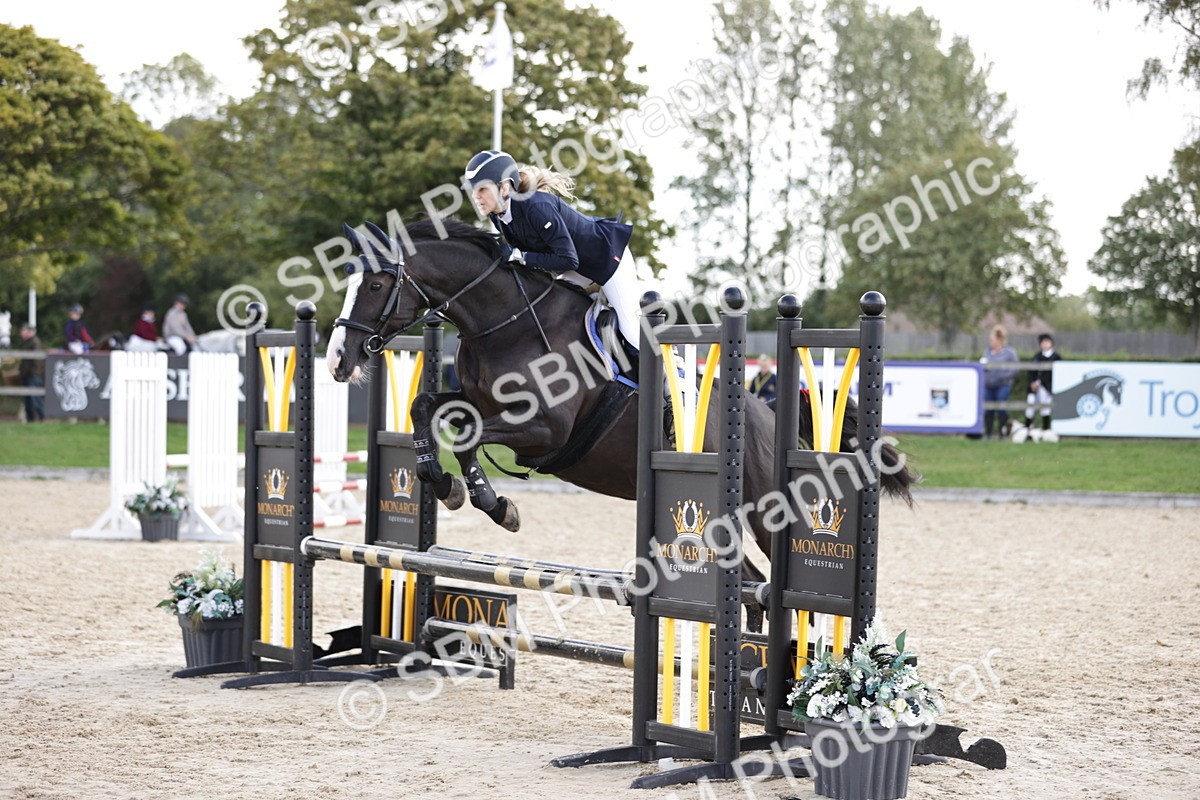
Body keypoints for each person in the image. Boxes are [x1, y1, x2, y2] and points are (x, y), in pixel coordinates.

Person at [462, 150, 644, 353]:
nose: (475, 197)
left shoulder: (536, 208)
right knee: (548, 307)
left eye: (481, 189)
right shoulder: (498, 215)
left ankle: (674, 376)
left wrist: (519, 257)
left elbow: (568, 259)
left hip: (607, 260)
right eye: (472, 190)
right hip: (580, 267)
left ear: (504, 188)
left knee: (632, 332)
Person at [980, 324, 1019, 440]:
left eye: (992, 339)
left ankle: (1003, 434)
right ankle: (988, 434)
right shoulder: (987, 352)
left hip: (1003, 385)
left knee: (1002, 409)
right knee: (989, 409)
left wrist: (1003, 376)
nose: (990, 342)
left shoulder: (1009, 352)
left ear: (999, 340)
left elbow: (1016, 368)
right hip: (988, 385)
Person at [1024, 333, 1062, 434]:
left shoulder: (1056, 357)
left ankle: (1045, 430)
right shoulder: (1037, 356)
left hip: (1047, 387)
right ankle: (1027, 430)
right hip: (1035, 387)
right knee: (1030, 403)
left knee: (1045, 407)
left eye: (1047, 342)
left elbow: (1057, 373)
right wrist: (1032, 383)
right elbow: (1031, 372)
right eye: (1043, 342)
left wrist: (1041, 382)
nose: (1045, 344)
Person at [17, 324, 44, 422]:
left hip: (32, 375)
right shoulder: (27, 343)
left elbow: (35, 361)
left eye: (23, 331)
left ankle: (42, 418)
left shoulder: (34, 343)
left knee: (35, 399)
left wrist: (31, 373)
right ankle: (30, 420)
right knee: (27, 400)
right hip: (27, 375)